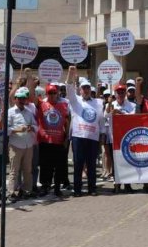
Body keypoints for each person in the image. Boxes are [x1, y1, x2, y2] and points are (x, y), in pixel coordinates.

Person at [64, 66, 104, 197]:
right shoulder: (75, 101)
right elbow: (69, 87)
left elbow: (101, 120)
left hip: (93, 137)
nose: (86, 90)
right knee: (78, 164)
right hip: (78, 136)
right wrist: (70, 73)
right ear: (80, 90)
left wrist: (102, 134)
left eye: (88, 88)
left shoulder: (98, 102)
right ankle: (77, 190)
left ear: (90, 90)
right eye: (84, 88)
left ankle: (92, 188)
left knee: (92, 164)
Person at [35, 83, 69, 198]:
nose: (52, 95)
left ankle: (57, 187)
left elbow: (67, 122)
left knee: (59, 166)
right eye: (50, 93)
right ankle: (45, 186)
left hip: (59, 141)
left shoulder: (64, 105)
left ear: (58, 93)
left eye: (54, 93)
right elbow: (31, 96)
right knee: (45, 166)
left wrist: (66, 137)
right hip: (45, 141)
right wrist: (30, 81)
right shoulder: (41, 104)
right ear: (46, 94)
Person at [6, 87, 36, 202]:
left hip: (28, 145)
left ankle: (27, 191)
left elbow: (36, 126)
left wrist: (32, 128)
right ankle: (11, 192)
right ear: (15, 99)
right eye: (19, 98)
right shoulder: (10, 112)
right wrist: (18, 130)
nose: (22, 101)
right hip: (15, 145)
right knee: (14, 170)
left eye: (23, 98)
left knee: (27, 170)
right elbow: (6, 129)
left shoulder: (29, 112)